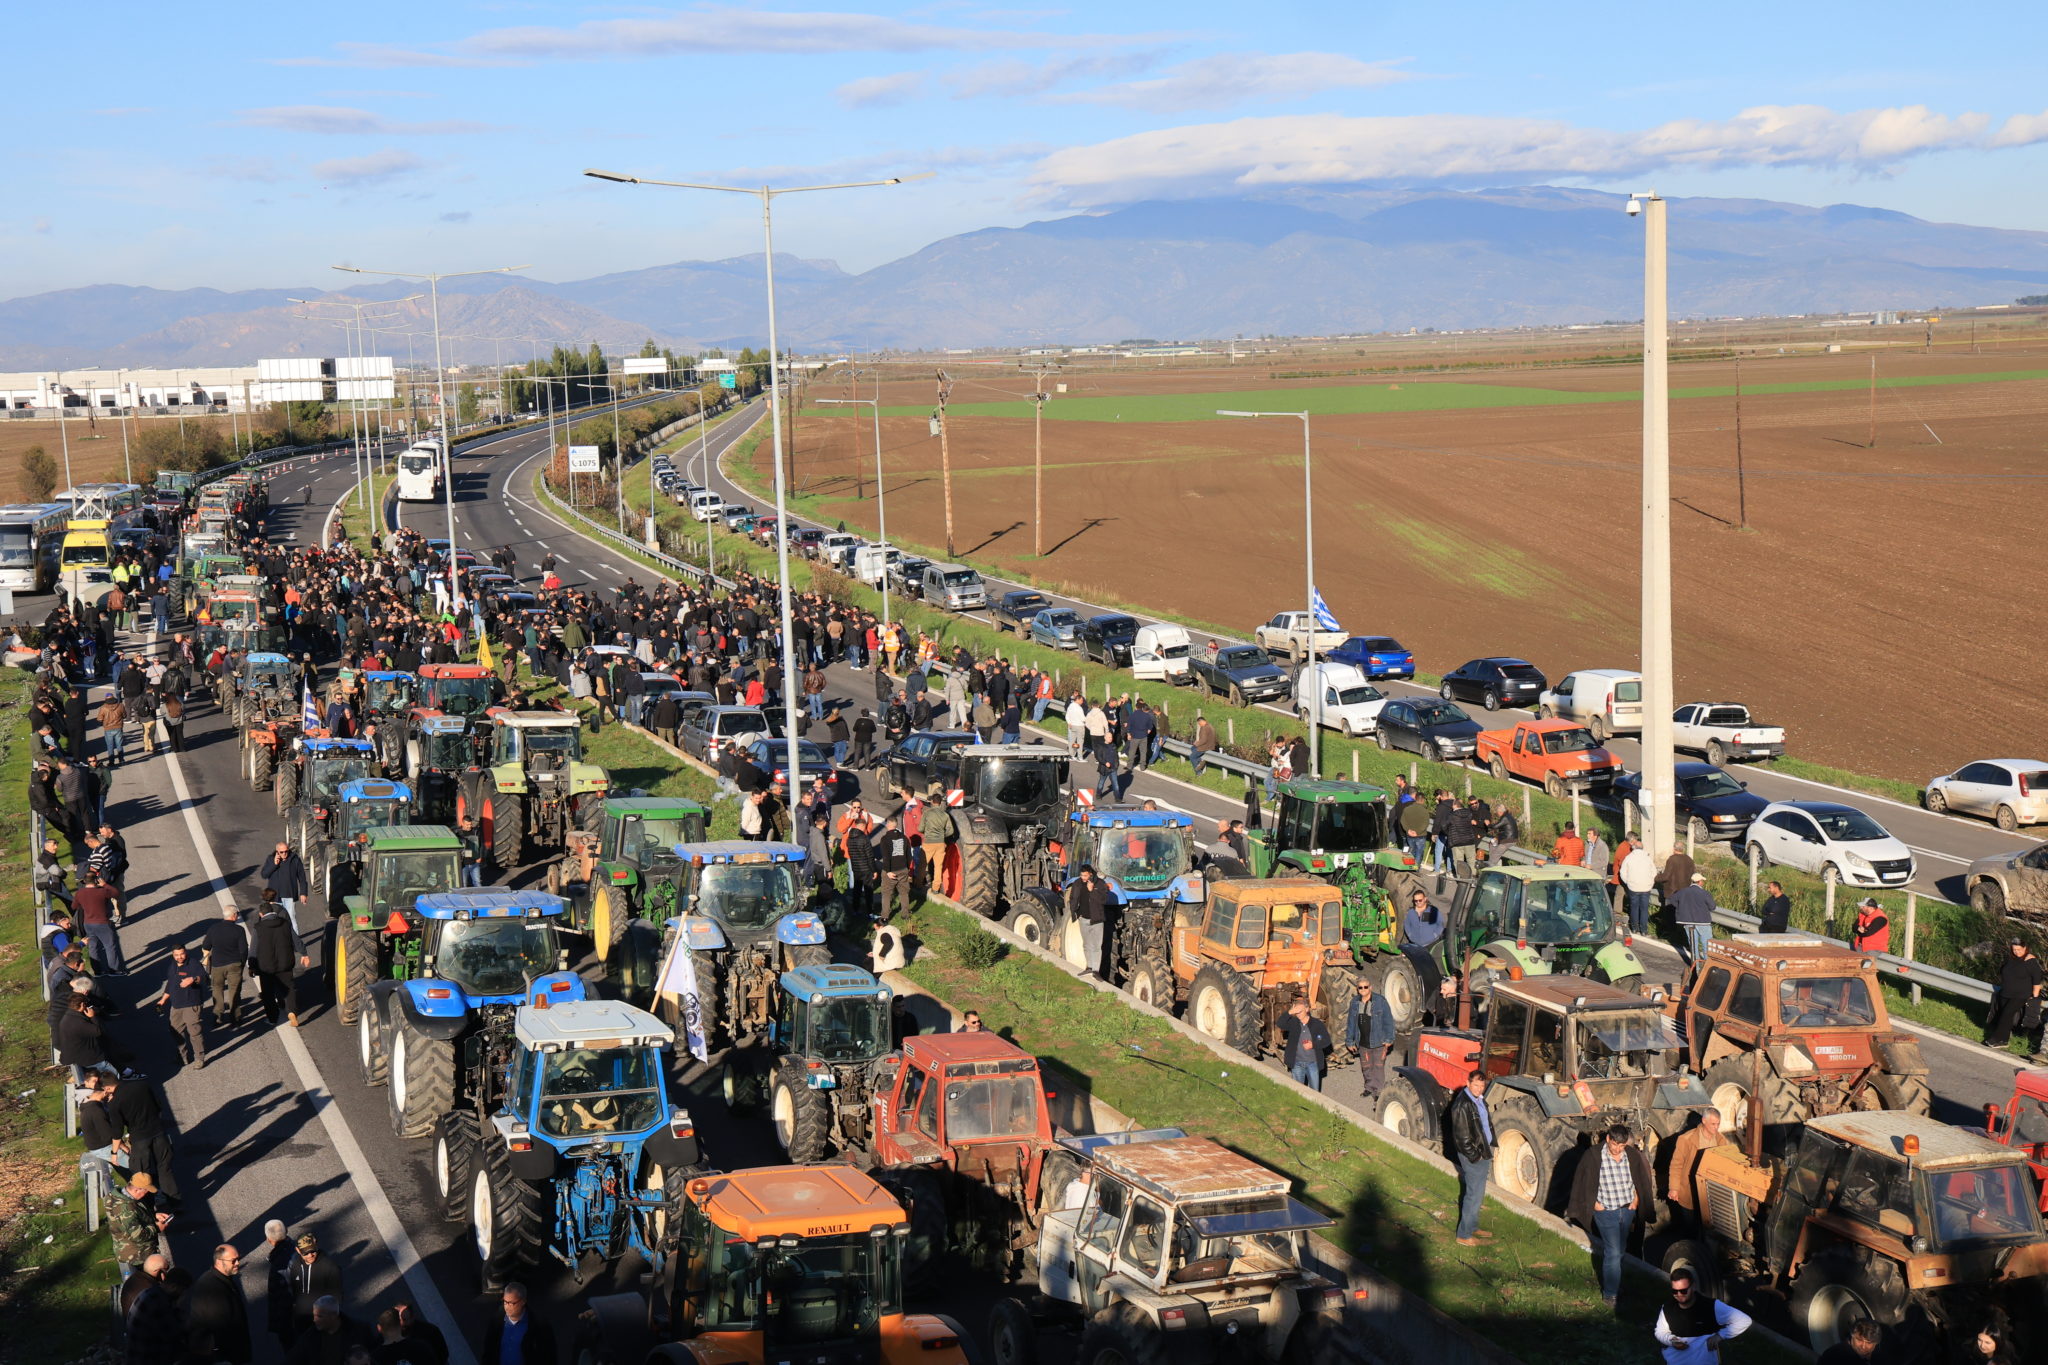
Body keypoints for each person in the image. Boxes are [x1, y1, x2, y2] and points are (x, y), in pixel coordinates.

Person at [1566, 1124, 1655, 1308]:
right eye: (1615, 1144)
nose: (1617, 1149)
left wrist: (1636, 1200)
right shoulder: (1593, 1155)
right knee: (1613, 1252)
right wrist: (1594, 1204)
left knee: (1620, 1250)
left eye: (1621, 1146)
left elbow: (1640, 1179)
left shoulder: (1631, 1155)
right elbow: (1582, 1180)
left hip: (1627, 1209)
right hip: (1605, 1211)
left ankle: (1614, 1281)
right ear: (1608, 1139)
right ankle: (1610, 1295)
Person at [1652, 1269, 1750, 1364]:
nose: (1679, 1294)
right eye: (1674, 1291)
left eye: (1683, 1291)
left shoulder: (1711, 1306)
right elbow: (1660, 1332)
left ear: (1693, 1287)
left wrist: (1720, 1335)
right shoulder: (1667, 1308)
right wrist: (1672, 1340)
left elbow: (1744, 1320)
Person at [1446, 1072, 1496, 1247]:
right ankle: (1464, 1235)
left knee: (1478, 1192)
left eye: (1482, 1086)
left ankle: (1472, 1226)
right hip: (1474, 1155)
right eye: (1476, 1085)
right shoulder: (1461, 1105)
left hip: (1483, 1151)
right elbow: (1461, 1138)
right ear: (1468, 1083)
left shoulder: (1478, 1099)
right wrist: (1476, 1156)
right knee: (1473, 1195)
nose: (1479, 1089)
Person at [184, 1243, 253, 1365]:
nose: (237, 1263)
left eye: (238, 1259)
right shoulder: (212, 1289)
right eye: (233, 1261)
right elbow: (221, 1329)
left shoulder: (220, 1279)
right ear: (219, 1261)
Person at [252, 893, 311, 1027]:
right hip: (285, 963)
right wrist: (304, 953)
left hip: (266, 966)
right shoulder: (284, 924)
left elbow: (254, 949)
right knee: (289, 988)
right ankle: (291, 1012)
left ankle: (272, 1018)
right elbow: (295, 939)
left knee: (268, 993)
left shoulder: (258, 928)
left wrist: (252, 965)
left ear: (261, 915)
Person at [1663, 1109, 1725, 1235]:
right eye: (1713, 1124)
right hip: (1690, 1190)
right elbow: (1676, 1165)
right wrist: (1674, 1188)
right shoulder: (1686, 1139)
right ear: (1704, 1121)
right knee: (1690, 1226)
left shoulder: (1721, 1140)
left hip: (1710, 1192)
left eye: (1718, 1124)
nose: (1716, 1127)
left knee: (1708, 1228)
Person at [153, 943, 209, 1068]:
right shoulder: (172, 966)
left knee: (194, 1032)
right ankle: (183, 1056)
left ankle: (199, 1058)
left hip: (191, 1004)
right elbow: (170, 985)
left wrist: (193, 979)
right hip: (176, 1005)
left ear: (186, 952)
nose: (180, 957)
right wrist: (163, 1000)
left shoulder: (193, 964)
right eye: (177, 955)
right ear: (173, 955)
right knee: (176, 1032)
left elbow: (204, 977)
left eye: (182, 954)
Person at [1985, 938, 2046, 1052]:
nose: (2017, 952)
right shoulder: (2010, 959)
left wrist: (2035, 996)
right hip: (2006, 992)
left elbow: (2037, 980)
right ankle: (2004, 1039)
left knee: (2006, 1015)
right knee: (2003, 1015)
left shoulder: (2031, 961)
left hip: (2020, 995)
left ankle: (1997, 1039)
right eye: (2014, 949)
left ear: (2025, 948)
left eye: (2019, 949)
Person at [107, 1170, 170, 1279]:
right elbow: (138, 1235)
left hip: (132, 1251)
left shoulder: (118, 1197)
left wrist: (153, 1216)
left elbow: (136, 1218)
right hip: (138, 1256)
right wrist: (157, 1227)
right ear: (137, 1189)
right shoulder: (127, 1209)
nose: (147, 1193)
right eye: (146, 1191)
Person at [1344, 976, 1395, 1099]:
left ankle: (1378, 1091)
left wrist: (1389, 1038)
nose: (1363, 989)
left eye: (1365, 987)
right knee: (1366, 1067)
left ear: (1370, 987)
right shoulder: (1355, 1002)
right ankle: (1369, 1087)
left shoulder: (1380, 1001)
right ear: (1357, 989)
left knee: (1378, 1067)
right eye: (1360, 987)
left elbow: (1389, 1021)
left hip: (1379, 1041)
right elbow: (1351, 1022)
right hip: (1362, 1042)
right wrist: (1349, 1040)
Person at [480, 1282, 556, 1365]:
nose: (507, 1307)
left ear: (523, 1301)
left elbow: (549, 1355)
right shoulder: (497, 1321)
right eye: (505, 1302)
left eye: (512, 1303)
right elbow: (488, 1350)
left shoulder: (539, 1325)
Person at [287, 1233, 343, 1340]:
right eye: (305, 1253)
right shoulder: (295, 1265)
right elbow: (293, 1288)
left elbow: (336, 1296)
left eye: (313, 1251)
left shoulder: (329, 1267)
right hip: (301, 1319)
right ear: (298, 1250)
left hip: (323, 1319)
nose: (310, 1255)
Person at [203, 904, 251, 1026]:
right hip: (234, 965)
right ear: (234, 915)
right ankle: (235, 1016)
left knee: (217, 989)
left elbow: (206, 946)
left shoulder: (213, 929)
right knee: (234, 991)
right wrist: (242, 963)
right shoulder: (239, 930)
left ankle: (218, 1015)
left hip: (217, 965)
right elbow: (243, 950)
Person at [1278, 994, 1331, 1092]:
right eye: (1296, 1012)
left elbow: (1326, 1040)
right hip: (1297, 1063)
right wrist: (1290, 1012)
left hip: (1312, 1064)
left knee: (1314, 1092)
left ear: (1307, 1009)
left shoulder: (1317, 1024)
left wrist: (1313, 1045)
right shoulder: (1293, 1023)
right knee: (1298, 1092)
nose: (1298, 1014)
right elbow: (1280, 1023)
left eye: (1300, 1011)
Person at [1066, 865, 1108, 979]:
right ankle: (1089, 967)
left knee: (1096, 946)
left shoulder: (1099, 884)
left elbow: (1104, 899)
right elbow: (1073, 898)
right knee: (1086, 944)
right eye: (1081, 875)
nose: (1083, 877)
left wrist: (1092, 891)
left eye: (1085, 875)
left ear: (1090, 874)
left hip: (1096, 920)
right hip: (1083, 919)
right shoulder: (1077, 883)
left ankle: (1096, 970)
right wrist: (1075, 912)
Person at [263, 1220, 297, 1348]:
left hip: (291, 1320)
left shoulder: (279, 1265)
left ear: (269, 1239)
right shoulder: (298, 1250)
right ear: (287, 1230)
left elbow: (280, 1297)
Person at [1671, 872, 1716, 966]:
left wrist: (1682, 908)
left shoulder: (1682, 891)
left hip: (1687, 921)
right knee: (1706, 944)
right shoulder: (1704, 893)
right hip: (1703, 922)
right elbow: (1712, 907)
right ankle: (1708, 966)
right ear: (1699, 882)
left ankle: (1696, 967)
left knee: (1693, 945)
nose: (1702, 883)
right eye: (1702, 881)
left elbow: (1673, 900)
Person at [263, 842, 310, 920]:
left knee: (291, 919)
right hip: (274, 897)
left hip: (289, 896)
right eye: (282, 852)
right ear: (277, 852)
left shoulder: (295, 860)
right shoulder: (271, 859)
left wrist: (303, 893)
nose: (284, 853)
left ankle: (294, 933)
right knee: (275, 920)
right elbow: (264, 874)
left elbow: (302, 878)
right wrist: (274, 864)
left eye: (286, 851)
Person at [1619, 842, 1657, 935]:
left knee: (1634, 907)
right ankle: (1644, 930)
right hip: (1646, 887)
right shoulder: (1648, 858)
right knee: (1644, 909)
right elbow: (1654, 872)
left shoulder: (1629, 858)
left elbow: (1623, 872)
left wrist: (1628, 882)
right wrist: (1650, 882)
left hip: (1633, 887)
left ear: (1633, 848)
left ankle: (1634, 928)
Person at [1814, 1321, 1887, 1365]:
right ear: (1852, 1336)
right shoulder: (1833, 1357)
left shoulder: (1881, 1356)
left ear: (1876, 1343)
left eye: (1869, 1343)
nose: (1863, 1346)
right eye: (1859, 1340)